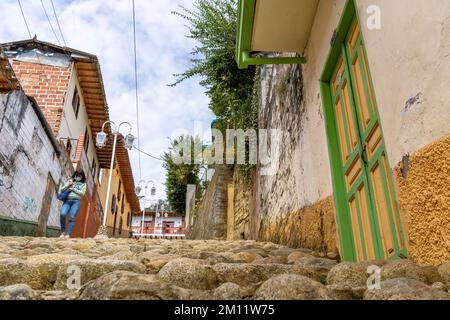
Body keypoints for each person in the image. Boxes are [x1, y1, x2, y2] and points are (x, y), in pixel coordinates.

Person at [59, 170, 87, 238]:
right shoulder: (71, 181)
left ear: (82, 176)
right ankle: (63, 231)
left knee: (72, 217)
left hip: (76, 202)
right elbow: (62, 190)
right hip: (67, 201)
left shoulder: (83, 184)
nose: (78, 177)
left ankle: (68, 234)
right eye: (77, 175)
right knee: (62, 214)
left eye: (79, 175)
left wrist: (73, 188)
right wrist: (68, 185)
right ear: (75, 175)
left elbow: (82, 193)